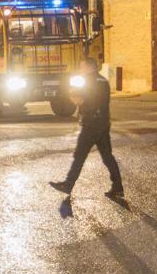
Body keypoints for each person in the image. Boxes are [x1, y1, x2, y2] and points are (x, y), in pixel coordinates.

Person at [50, 57, 124, 198]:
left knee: (80, 155)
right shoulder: (103, 81)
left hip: (91, 124)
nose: (81, 70)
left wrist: (71, 92)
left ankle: (68, 185)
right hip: (102, 122)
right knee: (107, 156)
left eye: (82, 67)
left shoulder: (88, 82)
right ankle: (118, 187)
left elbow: (79, 100)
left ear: (90, 67)